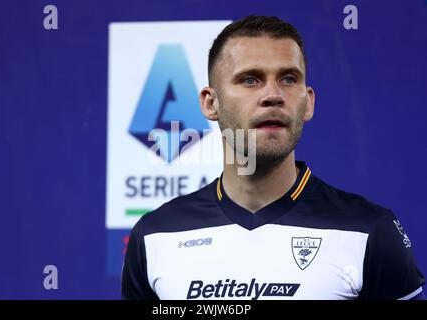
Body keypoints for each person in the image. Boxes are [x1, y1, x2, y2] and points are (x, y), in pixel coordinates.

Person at [121, 15, 425, 300]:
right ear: (210, 103)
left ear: (308, 103)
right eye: (251, 80)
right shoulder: (155, 236)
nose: (273, 95)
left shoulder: (371, 231)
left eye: (288, 79)